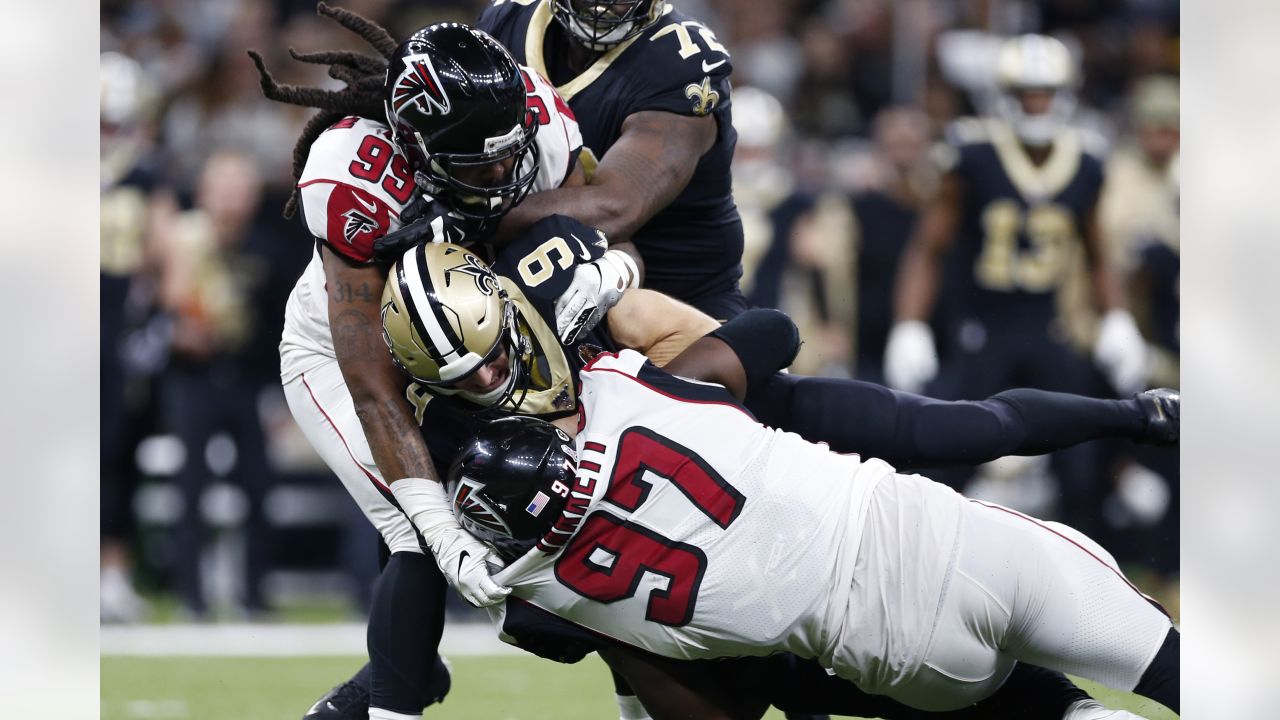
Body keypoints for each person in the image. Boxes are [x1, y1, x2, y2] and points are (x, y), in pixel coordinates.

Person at [445, 319, 1180, 717]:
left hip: (900, 661)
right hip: (954, 547)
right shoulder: (622, 393)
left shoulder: (546, 599)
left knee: (1045, 712)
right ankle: (1146, 416)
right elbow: (773, 331)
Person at [247, 8, 607, 720]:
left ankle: (389, 682)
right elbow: (371, 383)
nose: (506, 171)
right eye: (482, 164)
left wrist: (598, 270)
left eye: (511, 154)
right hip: (342, 352)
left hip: (474, 342)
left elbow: (591, 215)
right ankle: (393, 704)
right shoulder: (353, 175)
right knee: (416, 529)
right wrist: (441, 530)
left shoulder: (545, 126)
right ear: (419, 149)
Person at [882, 34, 1149, 536]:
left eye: (1044, 91)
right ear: (1004, 94)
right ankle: (918, 559)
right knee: (947, 456)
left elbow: (1099, 252)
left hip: (1047, 328)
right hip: (982, 331)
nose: (1036, 103)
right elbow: (929, 247)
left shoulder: (1087, 162)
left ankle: (1088, 579)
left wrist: (1117, 317)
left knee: (1080, 464)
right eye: (1025, 92)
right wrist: (909, 324)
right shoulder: (973, 154)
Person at [471, 0, 748, 323]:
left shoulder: (682, 62)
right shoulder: (508, 20)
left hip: (680, 304)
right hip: (530, 281)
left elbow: (616, 207)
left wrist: (468, 217)